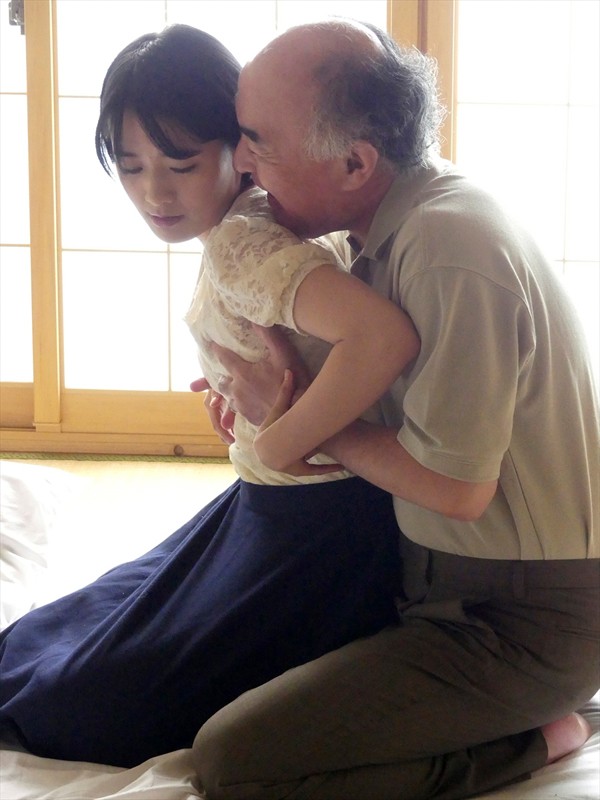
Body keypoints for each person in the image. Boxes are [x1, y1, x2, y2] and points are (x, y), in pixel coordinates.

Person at [190, 19, 600, 800]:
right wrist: (262, 394)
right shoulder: (397, 226)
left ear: (356, 162)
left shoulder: (447, 245)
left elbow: (457, 489)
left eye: (258, 142)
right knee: (195, 675)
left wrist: (300, 427)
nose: (240, 161)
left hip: (519, 618)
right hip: (433, 580)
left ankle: (540, 738)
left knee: (231, 762)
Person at [0, 24, 421, 768]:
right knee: (53, 647)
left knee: (76, 706)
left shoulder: (243, 245)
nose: (154, 192)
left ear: (241, 148)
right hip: (277, 504)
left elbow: (381, 337)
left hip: (316, 530)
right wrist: (252, 399)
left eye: (182, 164)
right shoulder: (259, 221)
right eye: (130, 166)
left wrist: (278, 437)